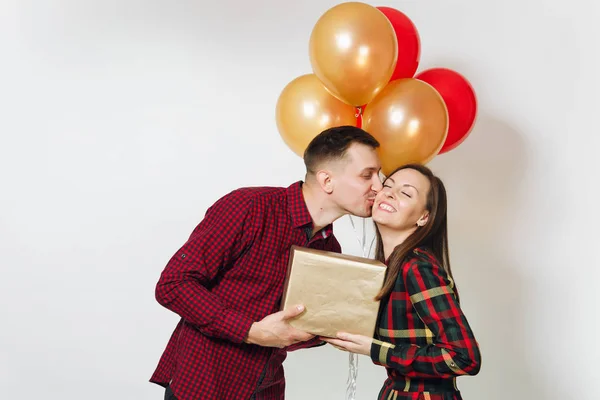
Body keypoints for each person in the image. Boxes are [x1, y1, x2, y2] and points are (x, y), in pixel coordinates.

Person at [150, 125, 383, 400]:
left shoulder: (329, 248)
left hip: (266, 389)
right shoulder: (250, 207)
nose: (379, 186)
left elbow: (286, 331)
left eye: (379, 175)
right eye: (367, 175)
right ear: (327, 180)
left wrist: (332, 328)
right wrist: (251, 331)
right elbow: (173, 285)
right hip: (203, 387)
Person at [324, 164, 481, 400]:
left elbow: (464, 358)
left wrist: (375, 349)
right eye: (387, 186)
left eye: (406, 193)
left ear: (423, 217)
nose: (388, 193)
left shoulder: (418, 268)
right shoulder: (389, 267)